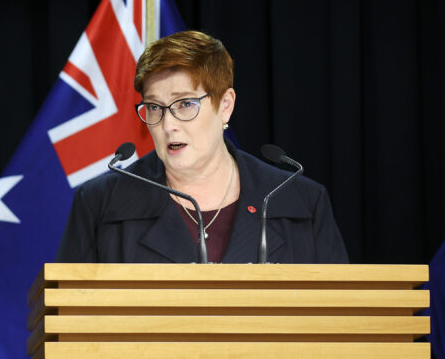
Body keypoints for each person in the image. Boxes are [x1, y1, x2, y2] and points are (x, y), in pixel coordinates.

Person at [58, 31, 348, 263]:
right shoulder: (100, 204)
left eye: (185, 104)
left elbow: (337, 312)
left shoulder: (298, 200)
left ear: (225, 105)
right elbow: (68, 313)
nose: (168, 124)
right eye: (155, 107)